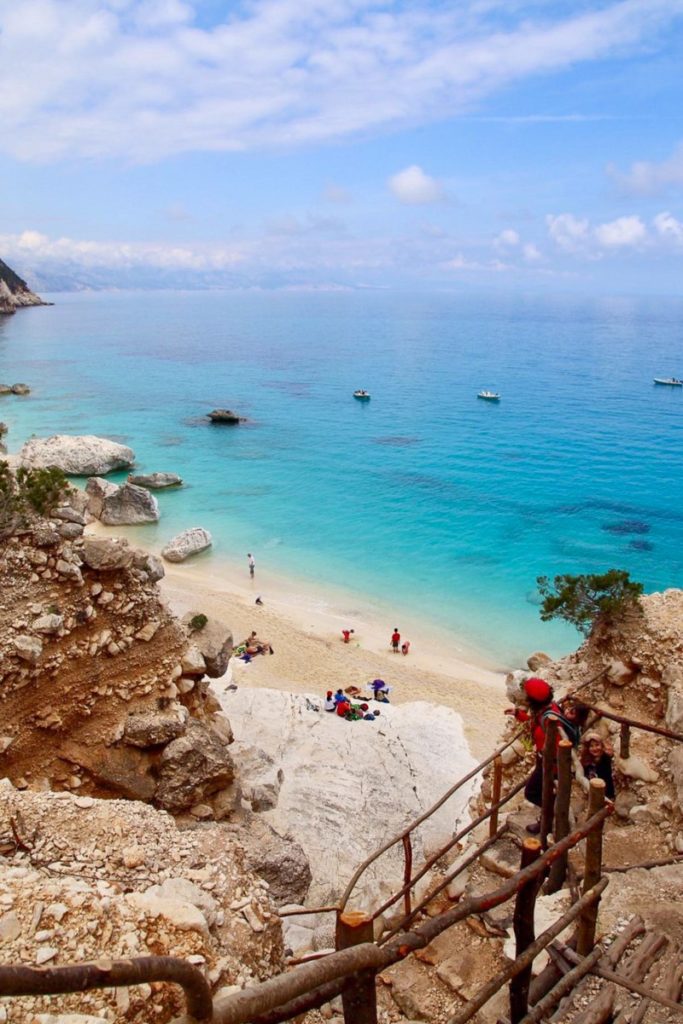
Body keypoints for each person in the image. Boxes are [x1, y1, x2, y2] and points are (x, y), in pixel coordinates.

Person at [505, 677, 569, 833]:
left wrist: (551, 766)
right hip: (547, 761)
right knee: (541, 791)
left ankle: (550, 817)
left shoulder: (550, 719)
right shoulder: (549, 709)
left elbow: (555, 743)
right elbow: (534, 722)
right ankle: (549, 814)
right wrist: (518, 714)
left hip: (551, 764)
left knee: (532, 792)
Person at [579, 732, 615, 799]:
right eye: (591, 746)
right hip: (591, 792)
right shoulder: (586, 761)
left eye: (597, 745)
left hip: (607, 793)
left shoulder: (606, 759)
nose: (595, 748)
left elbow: (609, 779)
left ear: (601, 746)